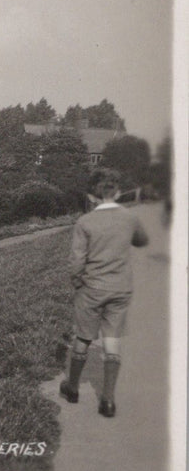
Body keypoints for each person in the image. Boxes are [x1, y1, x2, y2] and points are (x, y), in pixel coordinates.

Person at [60, 179, 149, 418]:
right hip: (120, 288)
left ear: (91, 197)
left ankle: (73, 388)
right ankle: (108, 400)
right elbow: (142, 241)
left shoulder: (85, 221)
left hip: (91, 288)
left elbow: (77, 261)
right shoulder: (129, 217)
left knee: (83, 336)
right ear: (118, 193)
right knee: (112, 340)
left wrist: (77, 282)